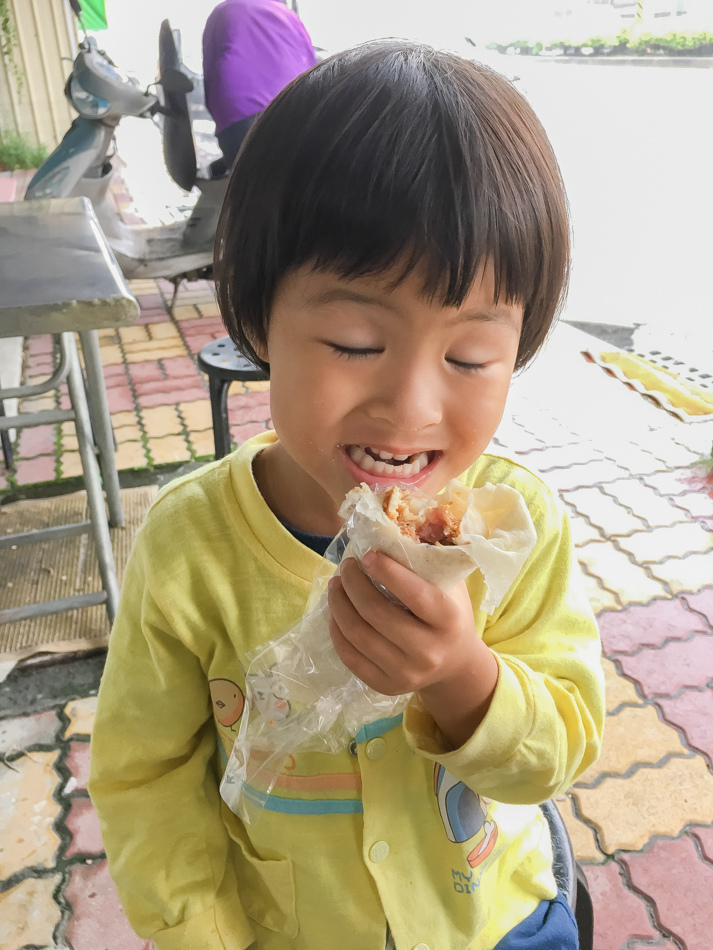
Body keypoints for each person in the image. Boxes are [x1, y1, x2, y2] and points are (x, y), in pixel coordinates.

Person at [89, 41, 605, 950]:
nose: (411, 405)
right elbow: (146, 778)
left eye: (470, 357)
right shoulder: (189, 546)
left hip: (497, 923)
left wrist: (462, 680)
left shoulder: (512, 528)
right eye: (356, 342)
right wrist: (206, 935)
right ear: (256, 319)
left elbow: (557, 753)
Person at [202, 0, 316, 168]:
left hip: (239, 111)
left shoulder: (224, 10)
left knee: (248, 183)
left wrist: (222, 124)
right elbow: (313, 65)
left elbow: (211, 69)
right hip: (296, 106)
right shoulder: (289, 15)